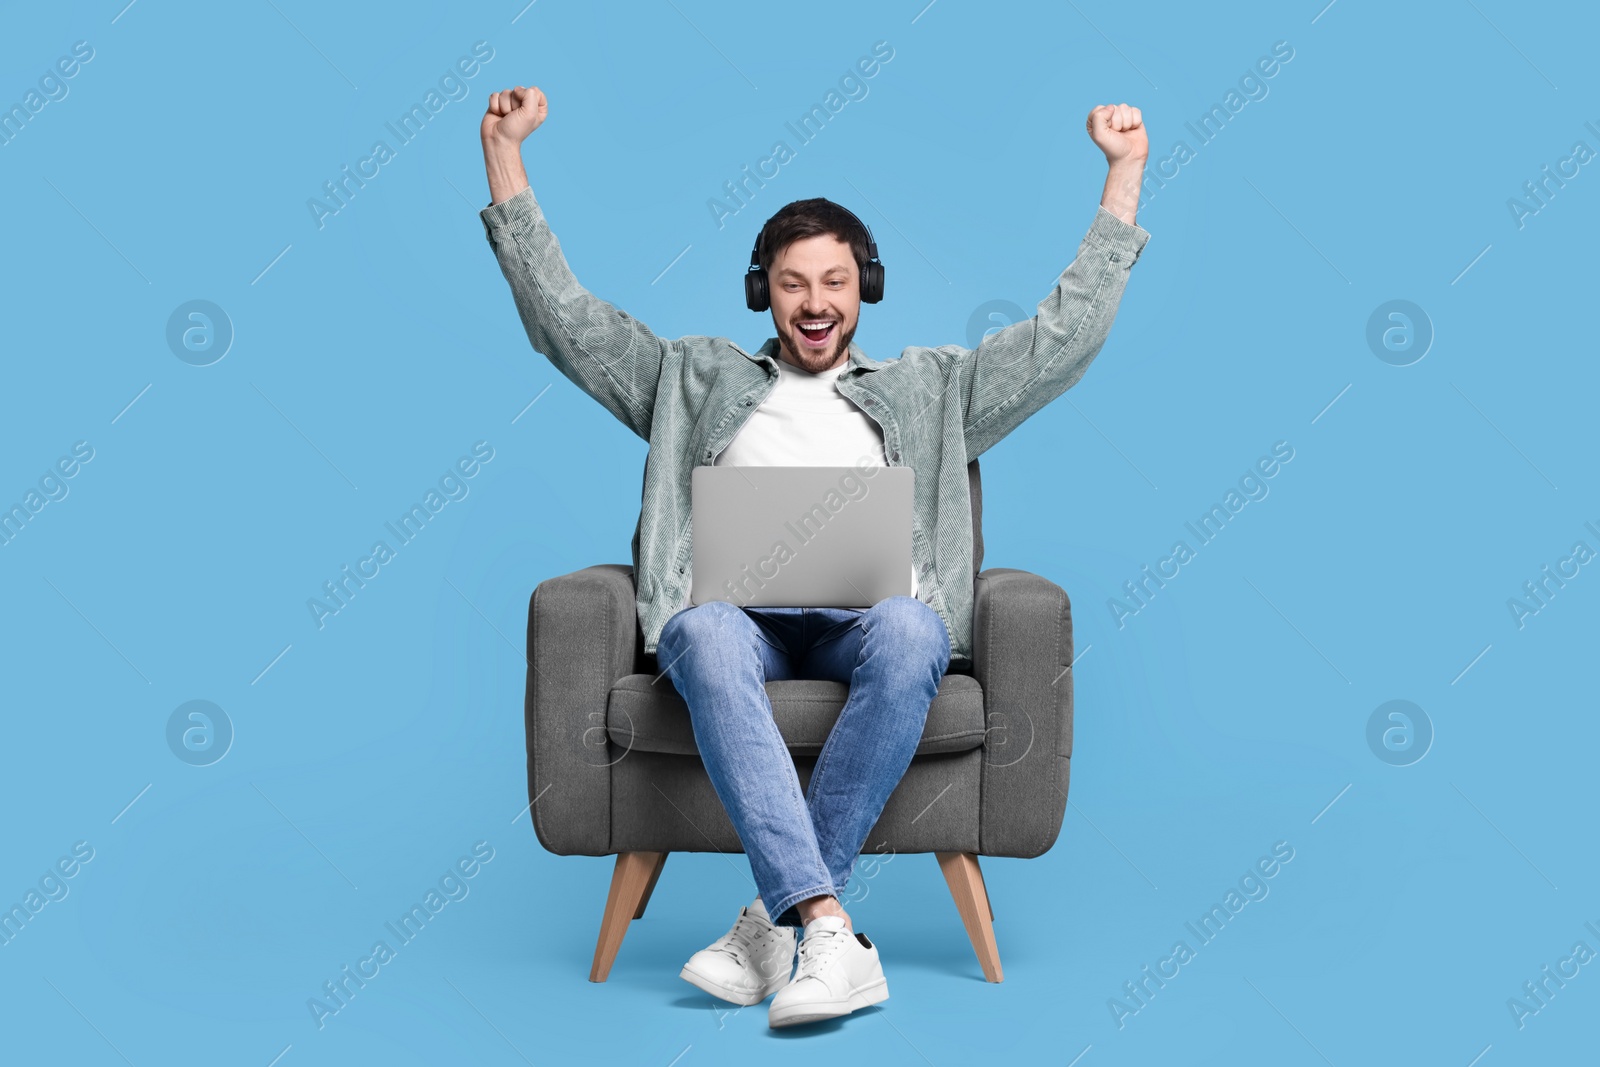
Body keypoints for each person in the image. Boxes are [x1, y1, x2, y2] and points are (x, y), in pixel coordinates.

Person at [479, 83, 1150, 1028]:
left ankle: (771, 921)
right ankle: (830, 927)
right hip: (734, 622)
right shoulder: (691, 377)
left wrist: (1124, 174)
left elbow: (1062, 339)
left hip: (864, 625)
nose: (815, 301)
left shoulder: (932, 389)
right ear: (765, 292)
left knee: (916, 626)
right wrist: (504, 155)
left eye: (834, 281)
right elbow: (564, 320)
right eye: (793, 282)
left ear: (863, 288)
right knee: (700, 632)